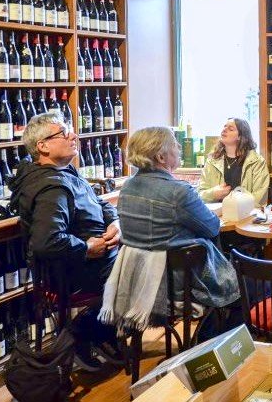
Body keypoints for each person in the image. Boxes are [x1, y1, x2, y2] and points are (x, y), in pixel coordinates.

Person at [102, 127, 241, 341]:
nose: (178, 149)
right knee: (248, 285)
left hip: (137, 285)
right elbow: (212, 227)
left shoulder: (128, 188)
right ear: (161, 156)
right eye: (175, 145)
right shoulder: (179, 191)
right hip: (177, 288)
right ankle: (209, 349)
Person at [8, 112, 122, 372]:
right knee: (151, 263)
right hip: (77, 272)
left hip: (94, 261)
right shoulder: (52, 188)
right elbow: (46, 242)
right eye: (63, 133)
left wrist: (115, 223)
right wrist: (87, 248)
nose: (73, 136)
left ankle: (101, 334)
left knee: (145, 257)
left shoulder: (65, 172)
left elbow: (100, 203)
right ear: (43, 146)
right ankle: (84, 332)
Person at [198, 118, 269, 207]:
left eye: (230, 129)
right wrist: (213, 194)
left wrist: (235, 207)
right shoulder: (212, 161)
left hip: (245, 217)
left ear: (240, 136)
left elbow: (259, 199)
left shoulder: (257, 162)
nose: (224, 130)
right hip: (216, 217)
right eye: (224, 127)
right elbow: (199, 195)